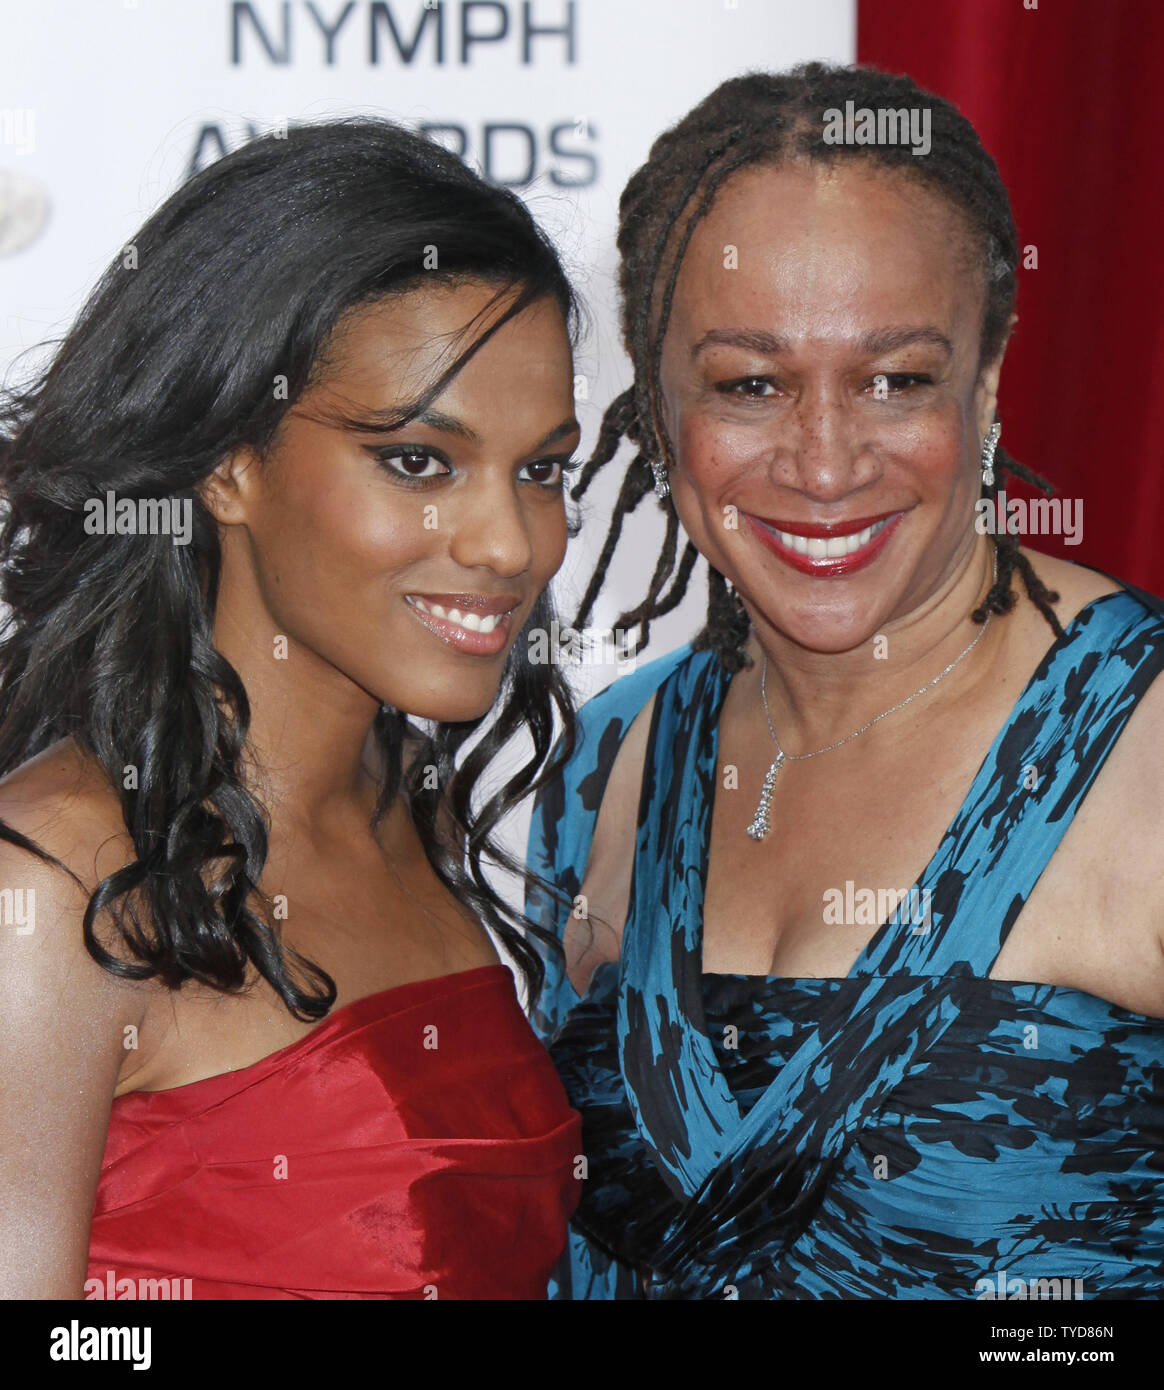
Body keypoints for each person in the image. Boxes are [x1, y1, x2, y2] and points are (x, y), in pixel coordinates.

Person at [527, 63, 1164, 1300]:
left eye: (895, 378)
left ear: (984, 386)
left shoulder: (1145, 740)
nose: (825, 463)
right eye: (750, 384)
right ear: (660, 412)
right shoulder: (612, 758)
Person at [0, 118, 585, 1300]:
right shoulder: (51, 886)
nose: (510, 541)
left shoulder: (398, 805)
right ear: (228, 464)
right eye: (420, 461)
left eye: (543, 468)